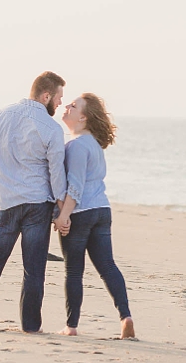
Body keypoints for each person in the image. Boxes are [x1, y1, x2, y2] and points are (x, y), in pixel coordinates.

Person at [0, 71, 67, 333]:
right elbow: (57, 175)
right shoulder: (52, 128)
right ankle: (31, 327)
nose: (60, 104)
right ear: (46, 96)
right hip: (36, 206)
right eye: (58, 98)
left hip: (4, 203)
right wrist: (61, 210)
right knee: (33, 269)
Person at [53, 93, 135, 339]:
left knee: (74, 271)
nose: (67, 106)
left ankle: (71, 326)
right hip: (102, 211)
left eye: (74, 106)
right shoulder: (95, 146)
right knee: (107, 266)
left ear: (83, 117)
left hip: (81, 213)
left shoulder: (76, 146)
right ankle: (126, 316)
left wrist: (63, 216)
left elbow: (75, 186)